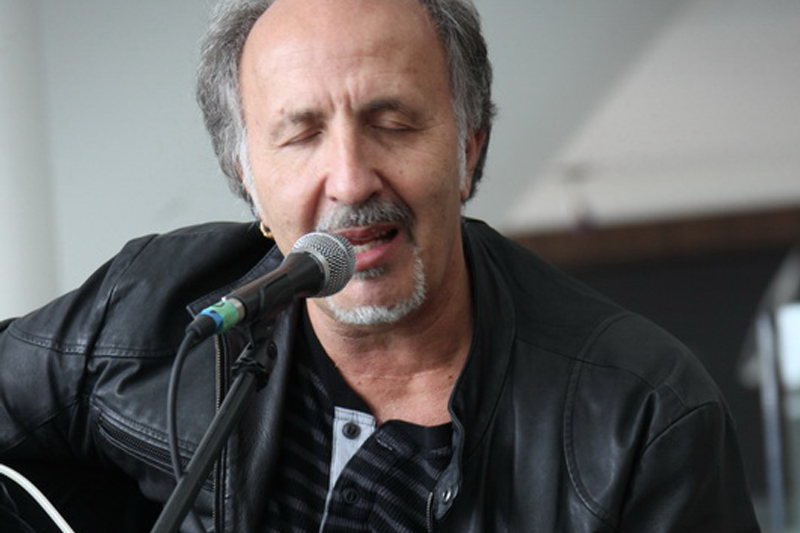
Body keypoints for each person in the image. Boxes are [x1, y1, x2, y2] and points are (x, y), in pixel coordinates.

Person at [0, 0, 762, 531]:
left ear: (468, 150)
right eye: (301, 135)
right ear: (248, 179)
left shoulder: (644, 416)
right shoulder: (149, 309)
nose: (351, 179)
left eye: (392, 122)